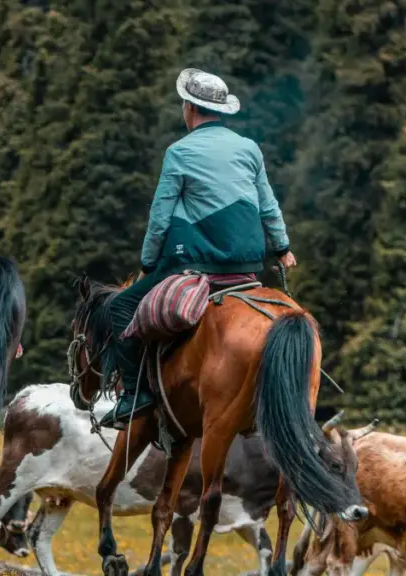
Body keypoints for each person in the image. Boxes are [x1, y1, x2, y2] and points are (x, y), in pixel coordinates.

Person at [99, 68, 298, 430]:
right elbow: (268, 205)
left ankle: (134, 396)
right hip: (249, 265)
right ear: (222, 111)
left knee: (121, 306)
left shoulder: (179, 152)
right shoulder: (249, 148)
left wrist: (147, 262)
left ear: (189, 108)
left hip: (197, 265)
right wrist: (282, 248)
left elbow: (160, 217)